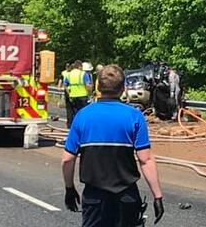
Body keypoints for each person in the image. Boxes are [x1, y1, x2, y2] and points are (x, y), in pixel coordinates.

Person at [62, 64, 165, 226]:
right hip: (126, 195)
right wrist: (157, 196)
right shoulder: (134, 116)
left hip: (95, 196)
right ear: (123, 88)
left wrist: (69, 188)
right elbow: (146, 160)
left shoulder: (83, 116)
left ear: (98, 88)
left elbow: (68, 159)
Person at [64, 60, 92, 127]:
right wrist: (89, 94)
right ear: (79, 66)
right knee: (83, 113)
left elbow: (65, 85)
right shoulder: (83, 74)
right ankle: (82, 127)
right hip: (83, 96)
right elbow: (88, 86)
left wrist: (69, 94)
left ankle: (74, 127)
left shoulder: (69, 74)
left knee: (75, 113)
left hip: (73, 97)